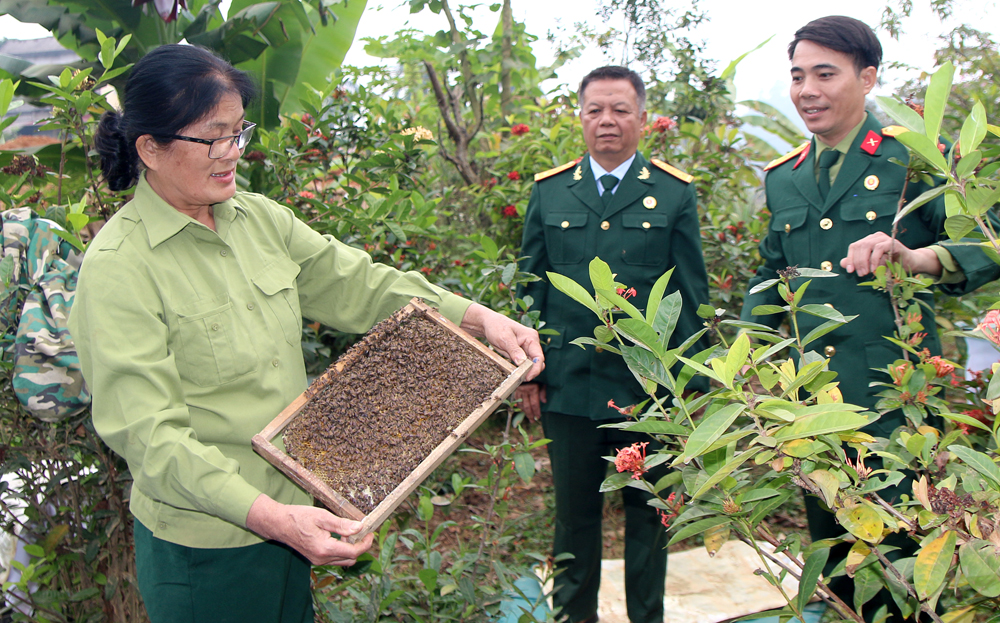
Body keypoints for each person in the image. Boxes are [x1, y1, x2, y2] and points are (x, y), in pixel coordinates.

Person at [69, 44, 543, 623]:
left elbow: (359, 284)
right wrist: (273, 517)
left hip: (293, 519)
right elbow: (151, 439)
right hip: (206, 549)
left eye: (239, 134)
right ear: (151, 148)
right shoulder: (120, 267)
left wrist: (477, 317)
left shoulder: (259, 219)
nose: (231, 154)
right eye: (213, 138)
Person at [740, 16, 999, 619]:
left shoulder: (919, 160)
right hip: (813, 407)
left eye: (825, 74)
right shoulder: (785, 178)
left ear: (869, 76)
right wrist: (746, 356)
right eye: (798, 76)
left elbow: (990, 240)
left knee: (907, 565)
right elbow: (770, 277)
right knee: (838, 567)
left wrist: (920, 257)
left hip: (896, 403)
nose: (808, 90)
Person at [516, 66, 710, 623]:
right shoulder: (550, 192)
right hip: (570, 390)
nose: (607, 121)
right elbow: (531, 292)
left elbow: (692, 300)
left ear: (642, 119)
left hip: (649, 394)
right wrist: (530, 373)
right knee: (574, 520)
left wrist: (688, 391)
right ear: (579, 116)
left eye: (620, 110)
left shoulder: (673, 194)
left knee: (651, 519)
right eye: (595, 110)